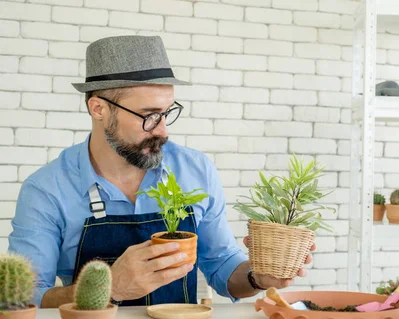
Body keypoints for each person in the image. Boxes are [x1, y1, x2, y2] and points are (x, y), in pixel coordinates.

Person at [7, 35, 314, 308]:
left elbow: (222, 267)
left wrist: (257, 276)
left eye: (167, 113)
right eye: (149, 116)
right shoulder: (46, 189)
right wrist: (109, 287)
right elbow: (25, 299)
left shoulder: (195, 169)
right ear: (98, 108)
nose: (163, 131)